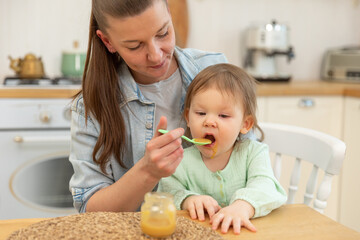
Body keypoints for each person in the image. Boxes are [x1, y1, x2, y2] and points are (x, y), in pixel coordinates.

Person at [69, 0, 241, 213]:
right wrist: (147, 171)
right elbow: (89, 210)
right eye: (135, 46)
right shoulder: (90, 107)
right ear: (108, 42)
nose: (156, 55)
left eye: (163, 33)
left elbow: (253, 165)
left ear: (169, 13)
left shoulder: (215, 71)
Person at [157, 63, 287, 234]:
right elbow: (164, 195)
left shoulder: (253, 153)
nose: (209, 121)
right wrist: (188, 200)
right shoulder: (180, 160)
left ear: (245, 124)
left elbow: (267, 187)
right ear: (188, 117)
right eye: (201, 113)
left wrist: (243, 206)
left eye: (223, 115)